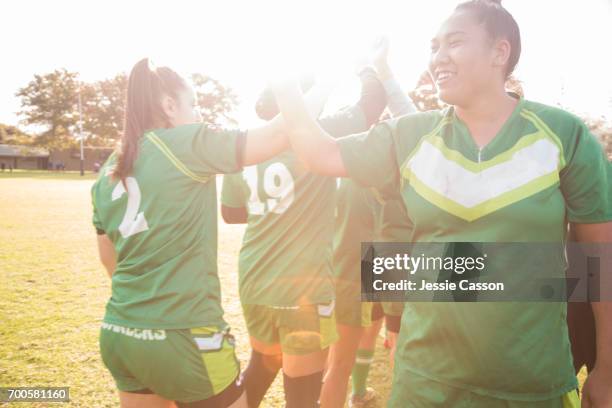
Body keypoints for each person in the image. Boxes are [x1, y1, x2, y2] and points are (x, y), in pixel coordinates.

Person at [272, 1, 612, 407]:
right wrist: (282, 78)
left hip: (532, 387)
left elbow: (598, 260)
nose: (437, 58)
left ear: (499, 53)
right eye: (433, 47)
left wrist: (607, 366)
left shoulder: (563, 135)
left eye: (454, 42)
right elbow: (320, 154)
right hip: (424, 384)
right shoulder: (410, 135)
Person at [91, 58, 328, 408]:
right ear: (169, 107)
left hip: (120, 332)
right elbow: (281, 132)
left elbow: (108, 257)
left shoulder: (110, 168)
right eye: (194, 105)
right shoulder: (184, 143)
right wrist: (330, 79)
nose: (199, 115)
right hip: (186, 335)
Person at [220, 68, 387, 408]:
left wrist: (275, 210)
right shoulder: (320, 132)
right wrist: (366, 66)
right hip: (302, 287)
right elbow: (373, 104)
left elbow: (231, 213)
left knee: (262, 365)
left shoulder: (246, 145)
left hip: (254, 279)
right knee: (302, 393)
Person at [321, 38, 414, 408]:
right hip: (377, 268)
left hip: (349, 268)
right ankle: (356, 395)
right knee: (388, 343)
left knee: (348, 351)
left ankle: (358, 395)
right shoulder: (399, 171)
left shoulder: (349, 165)